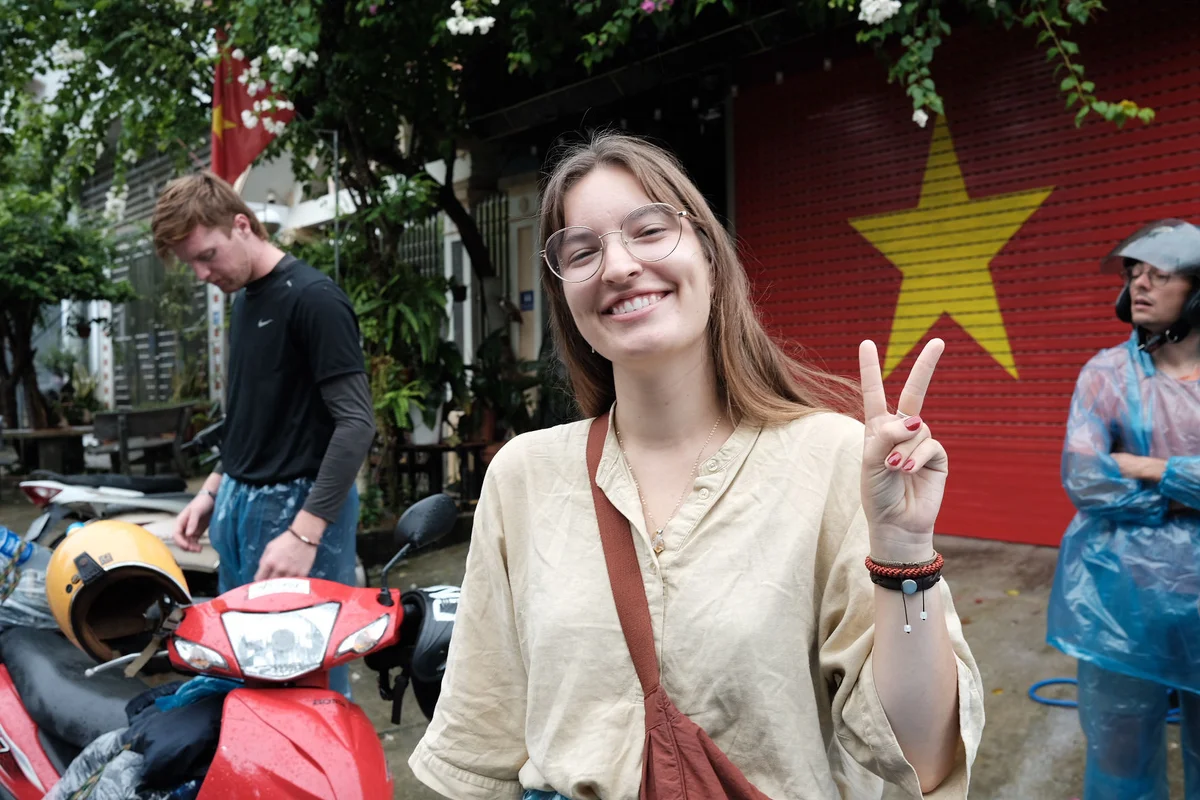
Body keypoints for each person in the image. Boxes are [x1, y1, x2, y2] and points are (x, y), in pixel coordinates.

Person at [409, 133, 983, 799]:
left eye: (648, 230)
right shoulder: (523, 477)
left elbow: (923, 757)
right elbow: (483, 750)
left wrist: (904, 550)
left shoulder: (831, 458)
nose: (619, 266)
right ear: (565, 292)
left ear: (708, 254)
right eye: (583, 250)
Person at [151, 171, 376, 699]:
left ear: (241, 224)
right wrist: (212, 489)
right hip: (240, 504)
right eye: (193, 265)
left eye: (207, 255)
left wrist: (305, 532)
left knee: (303, 674)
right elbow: (251, 413)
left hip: (299, 510)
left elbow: (356, 423)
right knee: (248, 673)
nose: (204, 273)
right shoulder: (245, 298)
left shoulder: (315, 299)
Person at [1047, 219, 1200, 800]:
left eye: (1160, 274)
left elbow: (1115, 473)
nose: (1139, 284)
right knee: (1119, 753)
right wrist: (1188, 496)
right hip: (1121, 604)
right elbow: (1087, 480)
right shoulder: (1105, 375)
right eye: (1134, 272)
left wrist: (1149, 466)